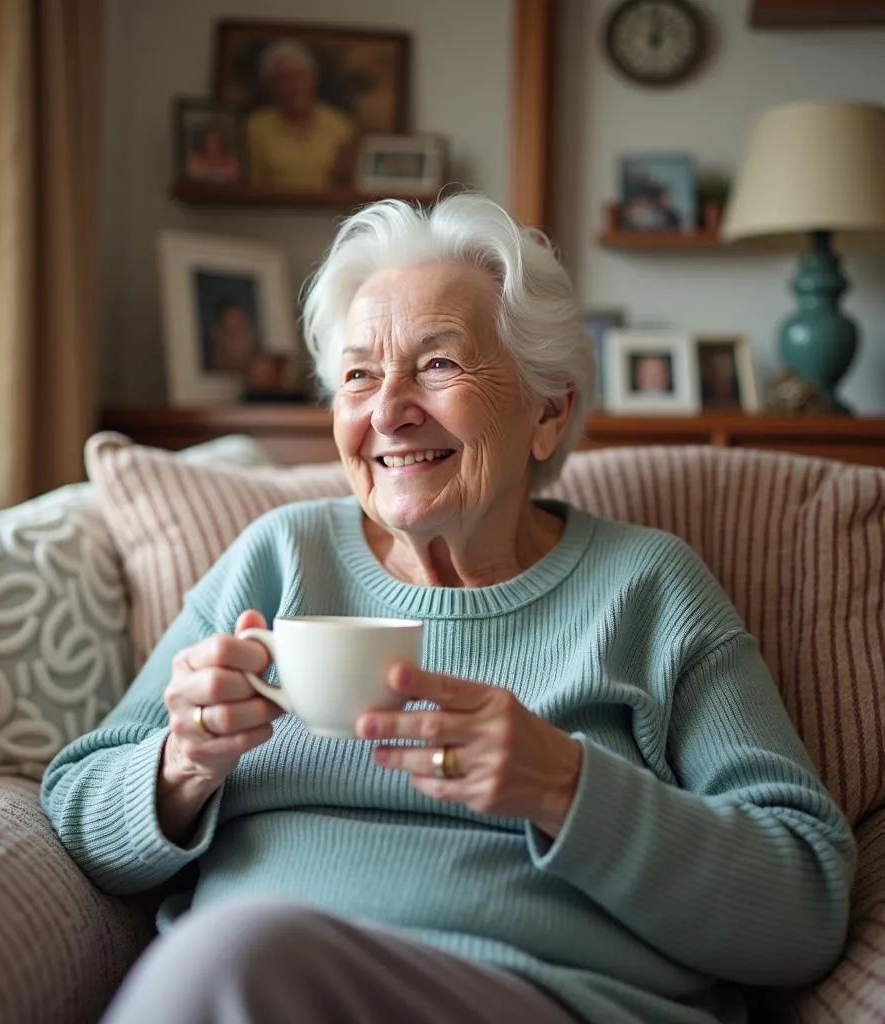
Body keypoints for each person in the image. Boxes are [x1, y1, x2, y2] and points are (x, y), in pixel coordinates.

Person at [42, 194, 855, 1024]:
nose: (387, 409)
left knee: (234, 957)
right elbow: (74, 807)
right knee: (235, 958)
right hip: (255, 987)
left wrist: (566, 789)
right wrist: (182, 762)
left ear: (548, 410)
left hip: (537, 999)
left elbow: (804, 904)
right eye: (358, 374)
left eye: (437, 365)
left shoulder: (646, 588)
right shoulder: (280, 558)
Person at [246, 38, 356, 190]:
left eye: (298, 76)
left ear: (312, 79)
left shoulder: (339, 125)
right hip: (272, 211)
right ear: (270, 85)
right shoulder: (257, 126)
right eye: (282, 78)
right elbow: (251, 186)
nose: (292, 86)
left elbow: (349, 186)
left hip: (327, 211)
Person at [204, 297, 257, 375]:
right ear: (223, 319)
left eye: (238, 316)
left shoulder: (252, 339)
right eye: (231, 317)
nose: (236, 321)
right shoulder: (215, 341)